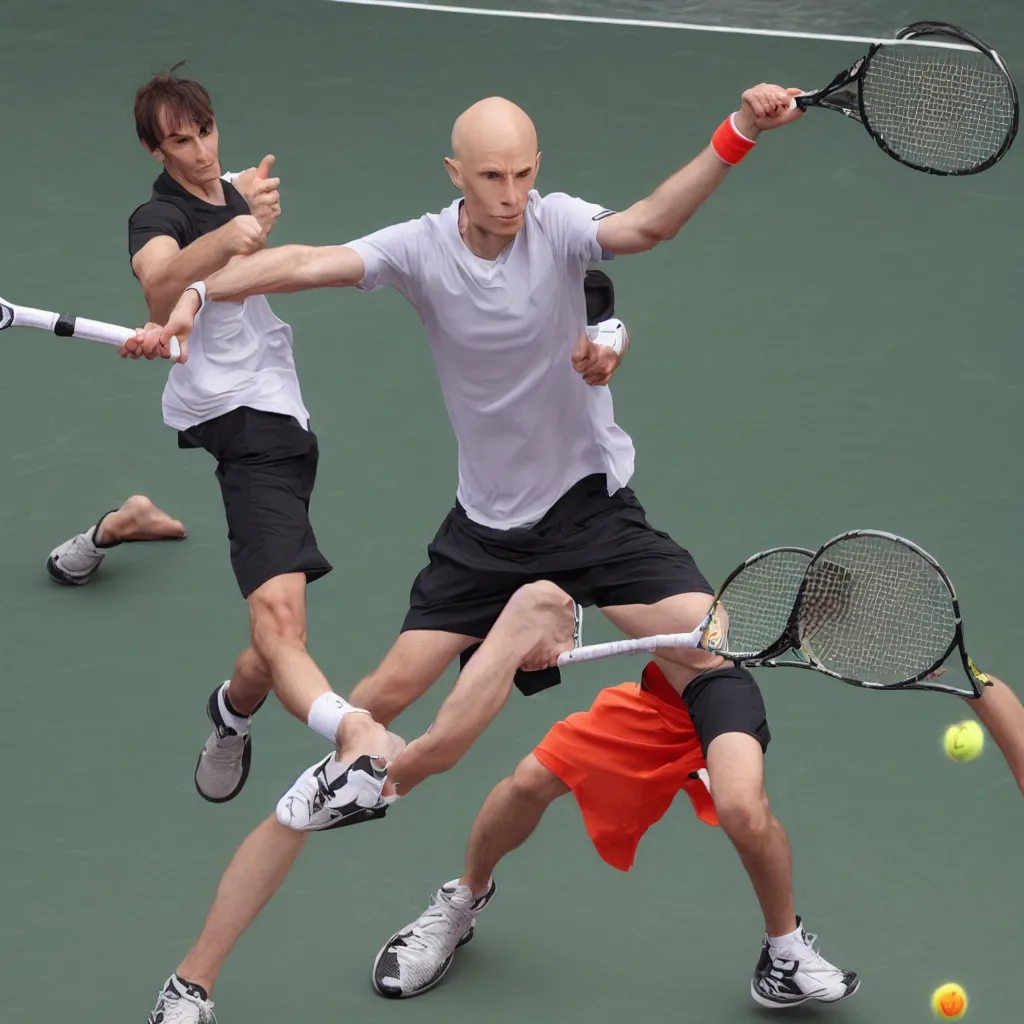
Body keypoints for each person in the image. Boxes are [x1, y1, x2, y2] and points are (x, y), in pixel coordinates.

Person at [131, 81, 867, 1017]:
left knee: (714, 644)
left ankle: (783, 947)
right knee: (355, 736)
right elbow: (303, 263)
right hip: (482, 543)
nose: (511, 194)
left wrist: (740, 133)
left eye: (523, 173)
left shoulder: (560, 227)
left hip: (596, 521)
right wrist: (194, 293)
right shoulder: (419, 250)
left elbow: (647, 226)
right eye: (490, 177)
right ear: (455, 175)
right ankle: (194, 977)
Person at [126, 68, 395, 809]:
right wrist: (223, 239)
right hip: (241, 425)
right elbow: (158, 289)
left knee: (280, 643)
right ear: (156, 151)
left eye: (204, 131)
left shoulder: (237, 190)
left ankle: (231, 710)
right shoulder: (157, 219)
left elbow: (248, 249)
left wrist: (245, 216)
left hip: (281, 417)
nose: (200, 152)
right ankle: (352, 734)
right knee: (282, 627)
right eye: (179, 142)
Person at [46, 495, 186, 585]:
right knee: (109, 531)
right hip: (78, 554)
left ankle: (138, 519)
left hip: (68, 563)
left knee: (110, 532)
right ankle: (139, 518)